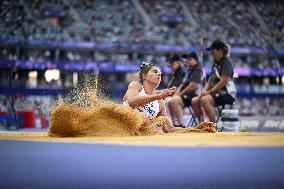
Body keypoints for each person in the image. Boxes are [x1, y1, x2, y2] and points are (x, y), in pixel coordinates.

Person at [123, 61, 216, 133]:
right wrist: (157, 96)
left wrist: (196, 128)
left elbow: (169, 129)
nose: (159, 75)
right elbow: (131, 101)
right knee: (141, 116)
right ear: (144, 76)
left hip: (139, 134)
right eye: (155, 72)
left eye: (160, 74)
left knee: (146, 121)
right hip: (123, 126)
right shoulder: (136, 85)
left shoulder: (160, 102)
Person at [191, 40, 236, 123]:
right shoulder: (216, 64)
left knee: (205, 100)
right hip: (215, 93)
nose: (211, 54)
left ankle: (213, 125)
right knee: (194, 100)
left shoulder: (226, 63)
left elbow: (223, 82)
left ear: (220, 51)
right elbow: (210, 80)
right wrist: (204, 91)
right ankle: (202, 123)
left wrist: (209, 92)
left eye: (213, 52)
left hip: (226, 93)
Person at [168, 52, 203, 127]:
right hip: (189, 95)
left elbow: (192, 86)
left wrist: (179, 94)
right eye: (187, 59)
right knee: (172, 100)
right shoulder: (189, 71)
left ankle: (182, 125)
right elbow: (182, 85)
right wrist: (177, 94)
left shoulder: (197, 69)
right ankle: (176, 123)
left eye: (189, 59)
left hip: (196, 94)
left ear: (195, 60)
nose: (187, 61)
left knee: (174, 100)